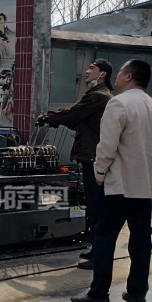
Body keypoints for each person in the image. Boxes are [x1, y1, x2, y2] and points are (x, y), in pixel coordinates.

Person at [70, 59, 152, 302]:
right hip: (143, 186)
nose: (118, 75)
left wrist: (99, 173)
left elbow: (106, 146)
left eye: (121, 71)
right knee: (140, 241)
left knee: (104, 237)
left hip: (118, 185)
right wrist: (148, 173)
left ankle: (99, 294)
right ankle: (137, 292)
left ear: (129, 76)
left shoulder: (118, 103)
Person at [37, 59, 114, 266]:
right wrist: (59, 120)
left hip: (93, 156)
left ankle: (98, 254)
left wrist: (48, 117)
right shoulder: (98, 95)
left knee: (96, 205)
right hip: (92, 155)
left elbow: (74, 113)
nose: (87, 71)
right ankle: (94, 248)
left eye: (92, 68)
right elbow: (80, 120)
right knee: (94, 204)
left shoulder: (99, 95)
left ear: (102, 74)